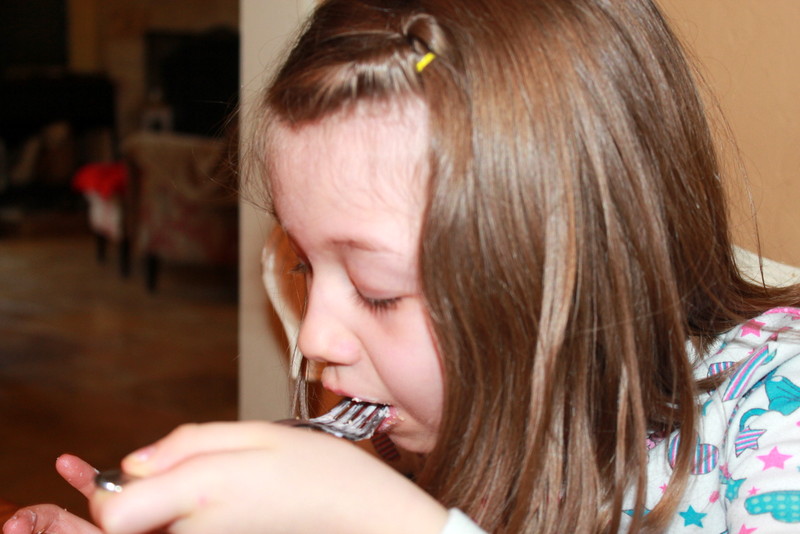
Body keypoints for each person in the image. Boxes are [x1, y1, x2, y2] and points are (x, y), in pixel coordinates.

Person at [6, 0, 800, 532]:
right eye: (305, 267)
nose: (314, 338)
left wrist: (388, 520)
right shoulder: (434, 431)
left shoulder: (773, 417)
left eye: (378, 292)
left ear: (566, 268)